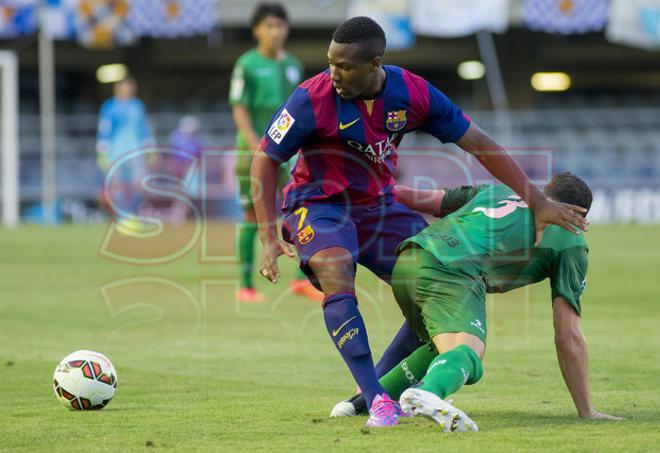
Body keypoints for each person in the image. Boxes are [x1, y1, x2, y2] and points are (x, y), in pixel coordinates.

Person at [250, 16, 588, 427]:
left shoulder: (411, 92)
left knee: (433, 276)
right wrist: (268, 235)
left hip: (379, 206)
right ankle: (377, 399)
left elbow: (480, 144)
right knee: (336, 266)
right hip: (318, 203)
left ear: (375, 64)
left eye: (344, 66)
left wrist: (536, 201)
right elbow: (265, 159)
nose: (333, 74)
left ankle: (368, 394)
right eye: (331, 63)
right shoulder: (311, 97)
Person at [330, 174, 622, 430]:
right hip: (454, 270)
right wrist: (587, 410)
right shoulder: (572, 240)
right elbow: (568, 336)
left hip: (409, 258)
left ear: (547, 190)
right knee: (469, 353)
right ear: (580, 217)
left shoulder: (498, 192)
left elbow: (412, 196)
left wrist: (349, 191)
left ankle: (360, 403)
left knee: (439, 347)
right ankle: (427, 393)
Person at [230, 2, 322, 303]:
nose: (275, 31)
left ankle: (301, 279)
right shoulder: (247, 64)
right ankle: (245, 285)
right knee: (251, 213)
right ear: (257, 30)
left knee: (302, 207)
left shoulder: (293, 64)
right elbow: (239, 107)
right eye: (269, 26)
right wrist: (255, 143)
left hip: (288, 152)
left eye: (280, 25)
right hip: (253, 151)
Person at [96, 77, 153, 232]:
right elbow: (104, 130)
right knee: (118, 187)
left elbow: (144, 128)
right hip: (116, 153)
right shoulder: (109, 107)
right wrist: (102, 152)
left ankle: (133, 214)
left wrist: (150, 147)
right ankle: (123, 216)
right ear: (118, 88)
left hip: (136, 152)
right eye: (126, 87)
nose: (128, 89)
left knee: (140, 185)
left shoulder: (137, 106)